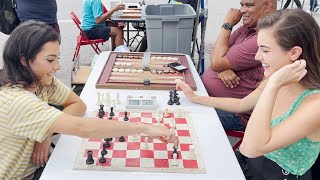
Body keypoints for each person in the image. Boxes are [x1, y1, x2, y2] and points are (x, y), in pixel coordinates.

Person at [0, 21, 177, 180]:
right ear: (24, 60)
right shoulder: (16, 100)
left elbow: (79, 104)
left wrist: (46, 133)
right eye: (50, 60)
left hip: (39, 166)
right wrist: (144, 127)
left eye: (57, 58)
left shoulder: (41, 80)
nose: (58, 67)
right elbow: (83, 127)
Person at [177, 9, 320, 179]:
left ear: (294, 53)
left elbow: (250, 147)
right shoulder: (275, 79)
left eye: (265, 50)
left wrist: (273, 86)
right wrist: (196, 98)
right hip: (250, 165)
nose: (257, 56)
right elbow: (241, 104)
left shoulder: (314, 103)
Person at [201, 0, 277, 131]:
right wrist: (221, 69)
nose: (242, 10)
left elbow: (216, 61)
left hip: (237, 115)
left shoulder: (264, 38)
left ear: (267, 6)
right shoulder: (248, 28)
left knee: (188, 115)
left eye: (249, 5)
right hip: (222, 102)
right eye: (241, 5)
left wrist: (228, 24)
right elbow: (216, 54)